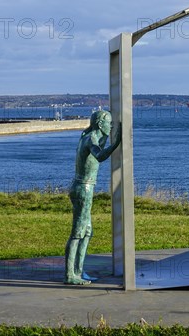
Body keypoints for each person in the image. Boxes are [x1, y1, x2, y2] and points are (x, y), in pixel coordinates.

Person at [64, 110, 121, 285]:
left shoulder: (91, 136)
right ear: (99, 124)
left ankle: (78, 271)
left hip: (84, 187)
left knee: (87, 232)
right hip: (83, 188)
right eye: (108, 123)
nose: (110, 126)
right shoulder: (90, 140)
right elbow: (100, 155)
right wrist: (116, 142)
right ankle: (69, 275)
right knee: (78, 232)